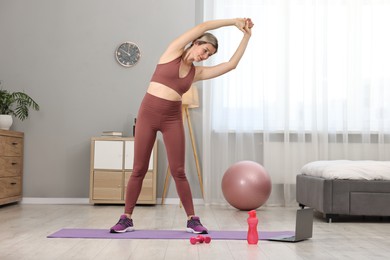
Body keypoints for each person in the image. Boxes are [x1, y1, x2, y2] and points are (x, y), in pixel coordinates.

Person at [110, 18, 254, 234]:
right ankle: (126, 218)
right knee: (139, 169)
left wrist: (246, 36)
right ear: (196, 43)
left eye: (209, 55)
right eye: (204, 50)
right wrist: (234, 22)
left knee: (179, 171)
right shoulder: (173, 52)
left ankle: (192, 220)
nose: (204, 57)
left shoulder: (197, 73)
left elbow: (231, 65)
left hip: (172, 119)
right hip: (147, 116)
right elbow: (202, 27)